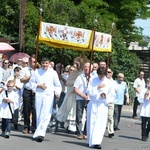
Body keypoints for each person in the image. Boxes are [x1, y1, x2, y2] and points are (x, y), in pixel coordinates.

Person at [30, 57, 62, 142]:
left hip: (49, 95)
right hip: (39, 95)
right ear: (41, 63)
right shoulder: (36, 72)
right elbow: (31, 83)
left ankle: (41, 133)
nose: (45, 65)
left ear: (49, 63)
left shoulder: (53, 72)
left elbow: (57, 85)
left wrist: (57, 92)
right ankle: (38, 131)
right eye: (43, 63)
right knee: (39, 114)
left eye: (46, 63)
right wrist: (38, 85)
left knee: (46, 114)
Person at [86, 67, 113, 149]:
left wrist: (105, 96)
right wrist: (97, 87)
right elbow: (88, 91)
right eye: (99, 76)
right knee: (92, 122)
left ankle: (97, 142)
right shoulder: (93, 80)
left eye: (102, 76)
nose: (101, 77)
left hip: (102, 104)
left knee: (100, 123)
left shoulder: (109, 82)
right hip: (94, 103)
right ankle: (91, 141)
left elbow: (112, 94)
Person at [73, 62, 93, 140]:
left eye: (88, 67)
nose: (86, 68)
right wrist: (83, 96)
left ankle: (85, 132)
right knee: (79, 116)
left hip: (90, 99)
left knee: (88, 116)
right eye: (85, 66)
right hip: (80, 98)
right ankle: (79, 133)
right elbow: (75, 88)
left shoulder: (93, 78)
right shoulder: (80, 77)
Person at [20, 56, 36, 134]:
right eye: (33, 62)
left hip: (35, 92)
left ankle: (34, 127)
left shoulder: (37, 70)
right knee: (26, 109)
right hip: (27, 91)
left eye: (35, 62)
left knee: (34, 110)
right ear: (29, 62)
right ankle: (26, 126)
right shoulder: (25, 70)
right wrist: (30, 76)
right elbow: (22, 80)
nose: (34, 63)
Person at [106, 68, 116, 138]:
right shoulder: (103, 80)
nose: (107, 73)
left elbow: (115, 91)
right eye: (106, 72)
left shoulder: (114, 82)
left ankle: (110, 131)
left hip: (110, 101)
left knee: (110, 116)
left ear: (112, 73)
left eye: (109, 72)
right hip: (103, 101)